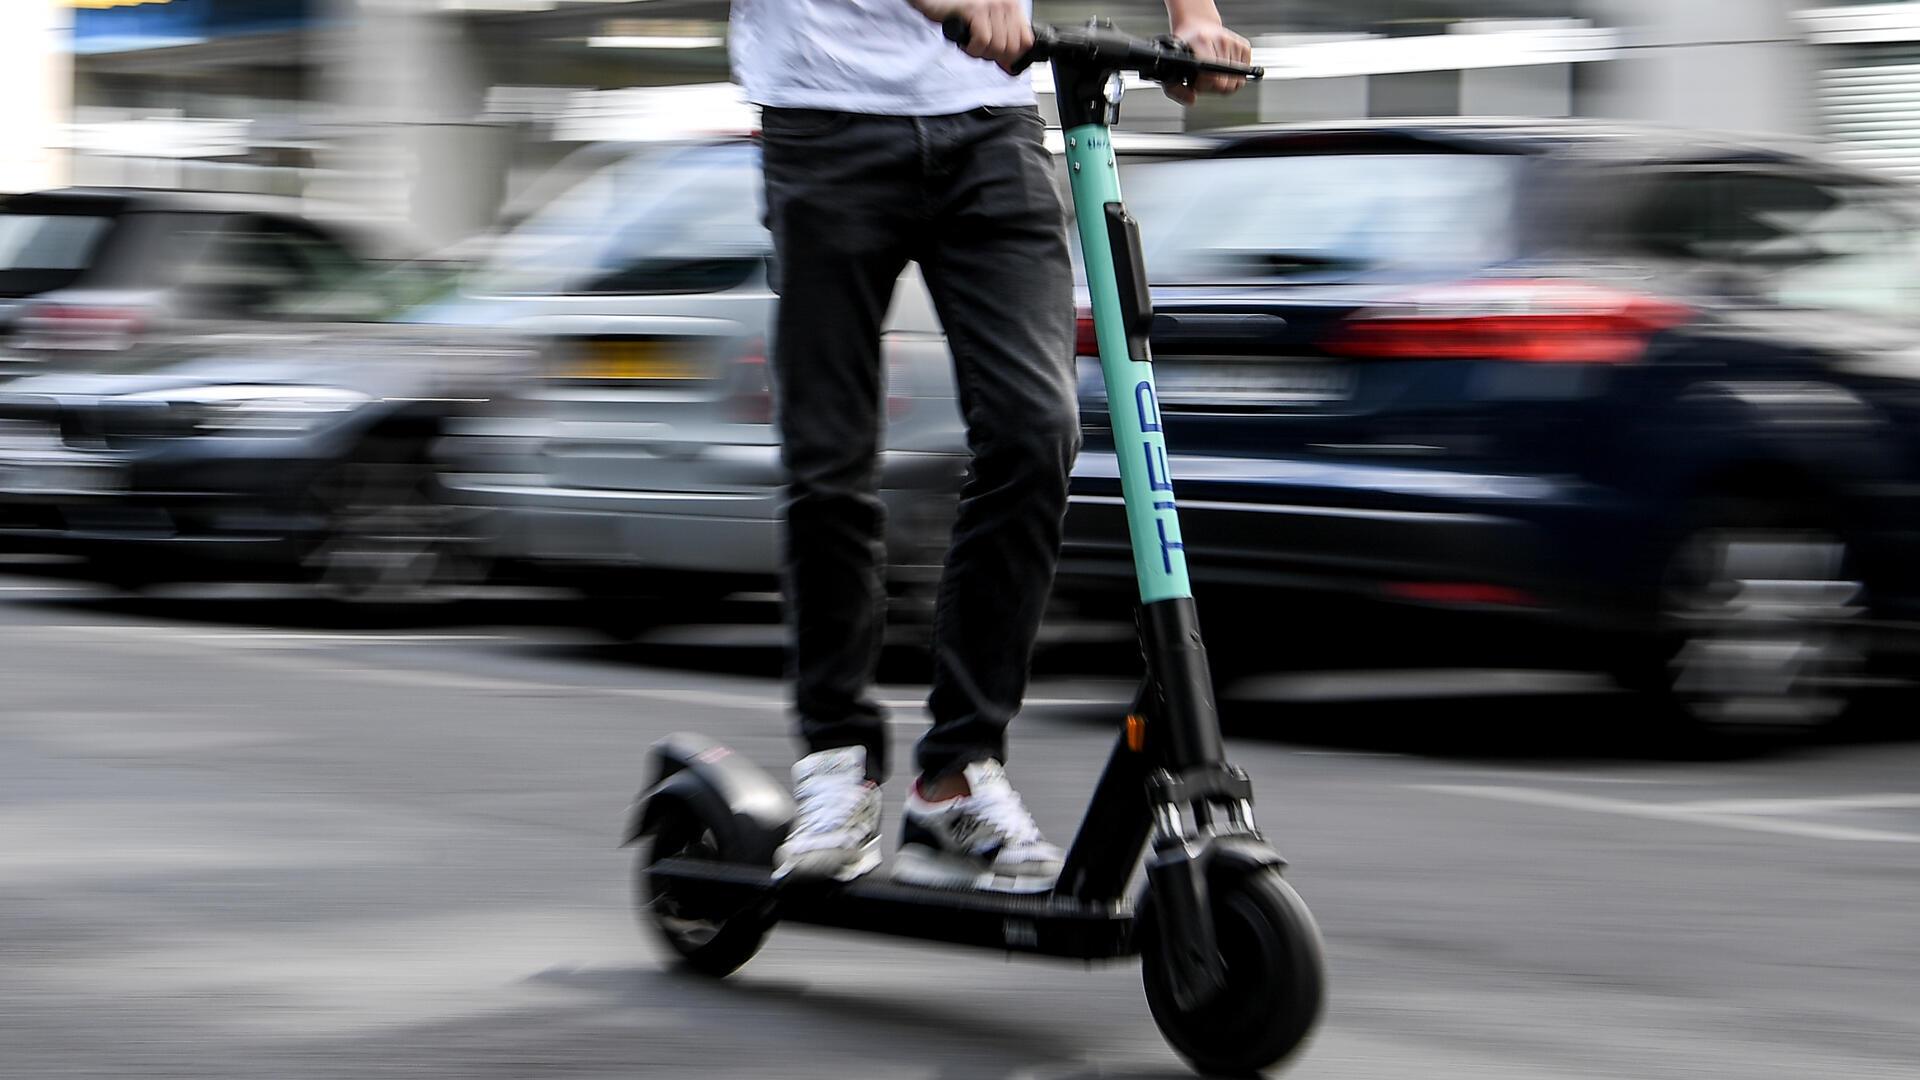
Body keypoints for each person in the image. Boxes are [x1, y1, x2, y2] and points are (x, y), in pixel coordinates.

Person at [731, 0, 1250, 892]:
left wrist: (1195, 19)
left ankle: (956, 775)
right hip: (823, 113)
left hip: (990, 122)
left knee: (1036, 431)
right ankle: (836, 766)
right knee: (833, 465)